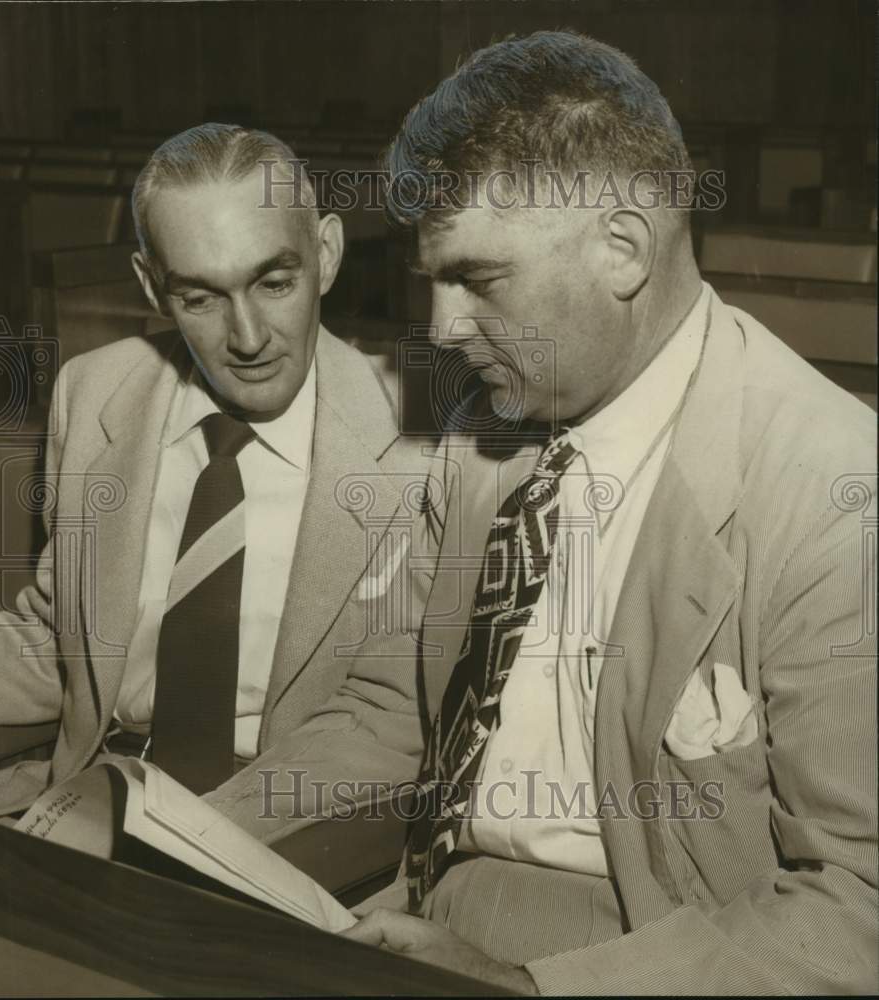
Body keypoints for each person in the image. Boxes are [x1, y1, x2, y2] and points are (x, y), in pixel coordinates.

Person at [339, 31, 878, 995]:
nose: (441, 331)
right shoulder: (476, 431)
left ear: (622, 249)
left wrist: (533, 988)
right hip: (419, 905)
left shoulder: (838, 493)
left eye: (476, 279)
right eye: (433, 282)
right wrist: (174, 836)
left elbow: (857, 909)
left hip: (663, 956)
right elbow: (392, 717)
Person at [0, 124, 428, 821]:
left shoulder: (423, 446)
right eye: (200, 299)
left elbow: (387, 724)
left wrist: (187, 837)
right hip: (87, 796)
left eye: (275, 282)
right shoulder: (94, 393)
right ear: (151, 287)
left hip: (287, 823)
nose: (248, 338)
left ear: (328, 255)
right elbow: (59, 642)